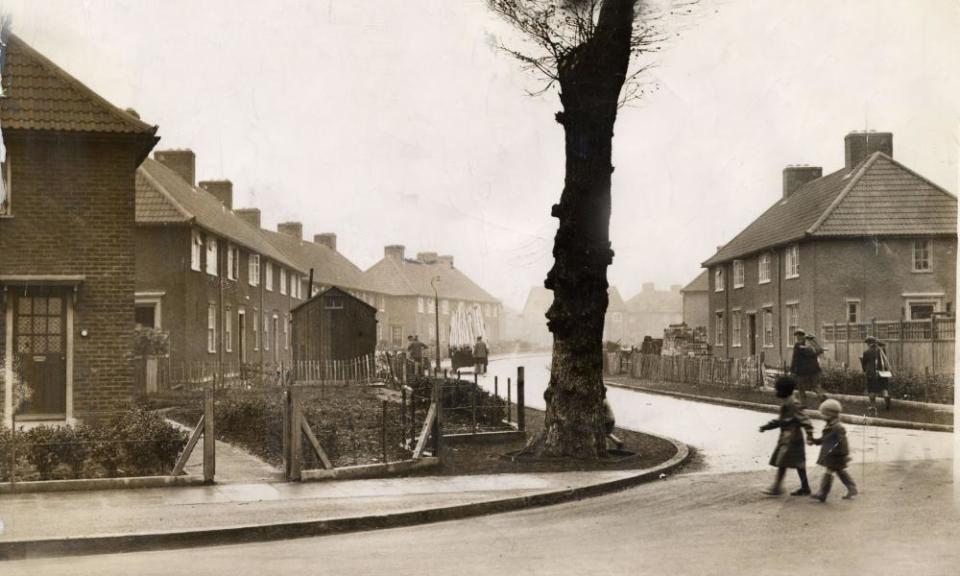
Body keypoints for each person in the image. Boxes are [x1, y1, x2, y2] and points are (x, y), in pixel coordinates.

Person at [759, 375, 814, 496]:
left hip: (793, 439)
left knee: (783, 463)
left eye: (777, 389)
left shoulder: (793, 404)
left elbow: (805, 420)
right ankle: (805, 488)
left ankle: (777, 487)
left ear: (783, 390)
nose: (775, 391)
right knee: (798, 464)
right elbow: (780, 421)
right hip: (787, 438)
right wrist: (767, 427)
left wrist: (810, 436)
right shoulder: (787, 403)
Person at [810, 399, 858, 502]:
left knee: (829, 471)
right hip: (833, 455)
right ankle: (852, 488)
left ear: (829, 414)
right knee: (840, 471)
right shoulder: (830, 426)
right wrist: (814, 441)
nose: (821, 415)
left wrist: (844, 454)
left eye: (823, 413)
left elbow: (843, 442)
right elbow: (824, 440)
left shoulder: (837, 427)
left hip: (835, 455)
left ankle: (822, 493)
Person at [790, 329, 824, 406]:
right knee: (816, 386)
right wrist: (813, 341)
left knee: (801, 388)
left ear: (800, 336)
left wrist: (792, 370)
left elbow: (795, 358)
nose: (798, 337)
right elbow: (820, 351)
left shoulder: (797, 345)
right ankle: (822, 396)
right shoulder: (811, 344)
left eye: (798, 336)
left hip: (802, 371)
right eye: (797, 336)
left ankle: (803, 404)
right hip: (815, 370)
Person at [860, 336, 891, 412]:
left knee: (872, 390)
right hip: (882, 372)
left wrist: (864, 370)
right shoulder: (881, 350)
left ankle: (873, 406)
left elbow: (864, 364)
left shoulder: (867, 352)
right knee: (884, 387)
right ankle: (886, 397)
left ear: (869, 343)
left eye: (867, 343)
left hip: (872, 374)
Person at [601, 386, 624, 450]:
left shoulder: (603, 401)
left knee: (603, 433)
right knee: (607, 433)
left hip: (607, 420)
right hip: (610, 419)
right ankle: (618, 442)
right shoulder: (605, 399)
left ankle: (606, 448)